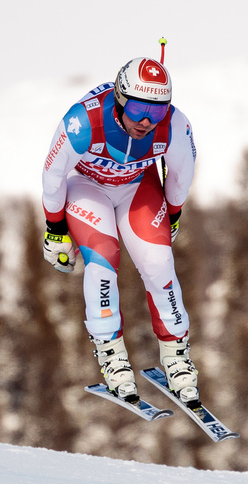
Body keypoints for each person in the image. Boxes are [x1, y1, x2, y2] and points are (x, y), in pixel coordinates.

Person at [40, 54, 199, 406]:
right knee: (103, 258)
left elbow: (181, 176)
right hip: (87, 185)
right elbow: (52, 179)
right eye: (140, 108)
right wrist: (55, 230)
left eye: (157, 111)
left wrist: (172, 216)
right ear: (120, 98)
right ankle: (112, 355)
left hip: (137, 186)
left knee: (159, 263)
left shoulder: (174, 126)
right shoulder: (83, 122)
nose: (146, 121)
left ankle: (176, 355)